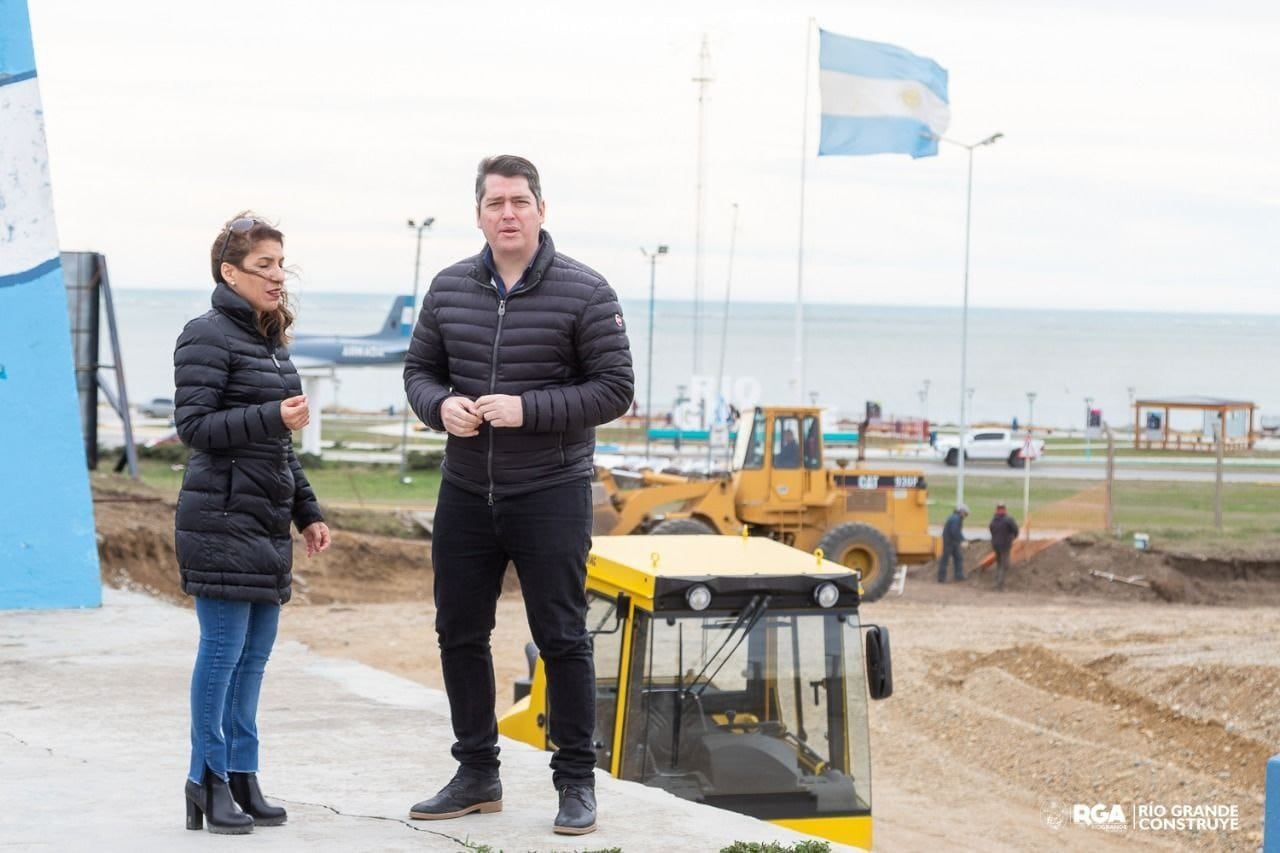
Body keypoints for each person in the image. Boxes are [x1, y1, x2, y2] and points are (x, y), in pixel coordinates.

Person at [403, 155, 634, 836]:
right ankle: (477, 772)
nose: (508, 212)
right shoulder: (448, 289)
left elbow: (615, 389)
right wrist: (439, 405)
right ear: (478, 212)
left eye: (520, 201)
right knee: (459, 632)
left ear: (541, 209)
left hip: (552, 490)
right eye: (496, 201)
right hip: (466, 490)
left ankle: (576, 783)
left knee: (562, 636)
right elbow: (419, 370)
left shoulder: (586, 291)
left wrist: (527, 409)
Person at [174, 213, 331, 835]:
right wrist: (271, 415)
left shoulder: (270, 340)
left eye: (280, 264)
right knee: (221, 656)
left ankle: (242, 776)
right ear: (229, 272)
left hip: (265, 522)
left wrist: (309, 512)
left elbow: (281, 449)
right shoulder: (205, 335)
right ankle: (204, 778)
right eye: (263, 265)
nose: (277, 276)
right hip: (219, 518)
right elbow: (196, 429)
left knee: (253, 660)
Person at [989, 501, 1020, 591]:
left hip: (995, 545)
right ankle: (1000, 585)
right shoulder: (1008, 519)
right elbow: (1015, 529)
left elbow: (991, 530)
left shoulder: (994, 520)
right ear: (1005, 509)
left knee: (999, 564)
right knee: (1004, 565)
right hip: (1005, 545)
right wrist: (1014, 537)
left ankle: (997, 581)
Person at [938, 503, 969, 582]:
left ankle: (958, 576)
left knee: (958, 558)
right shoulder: (956, 519)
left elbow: (956, 531)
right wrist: (962, 540)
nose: (965, 516)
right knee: (945, 559)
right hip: (950, 542)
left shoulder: (954, 517)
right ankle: (942, 578)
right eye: (965, 513)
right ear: (961, 511)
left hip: (951, 541)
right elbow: (955, 531)